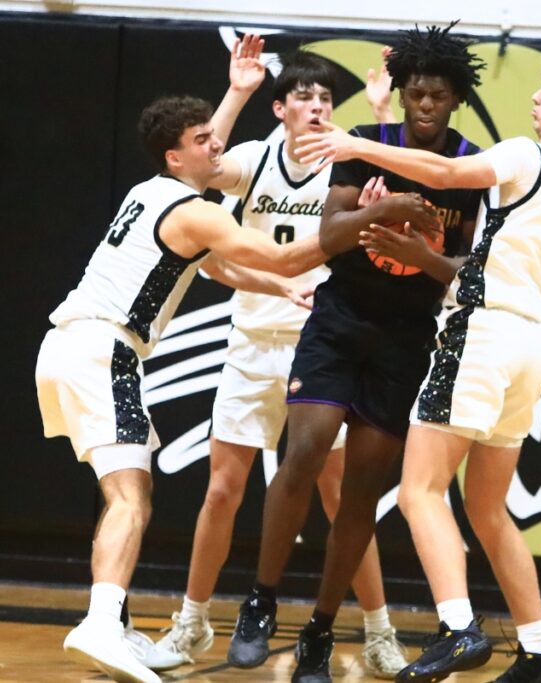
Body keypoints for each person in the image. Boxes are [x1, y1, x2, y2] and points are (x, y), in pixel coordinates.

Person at [297, 49, 541, 683]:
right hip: (531, 342)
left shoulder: (529, 156)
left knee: (420, 490)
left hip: (482, 332)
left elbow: (445, 173)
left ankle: (458, 627)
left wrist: (353, 143)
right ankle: (540, 650)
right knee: (488, 508)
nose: (537, 98)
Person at [225, 23, 487, 683]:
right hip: (339, 319)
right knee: (306, 447)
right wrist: (392, 206)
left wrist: (421, 252)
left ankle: (318, 628)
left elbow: (463, 267)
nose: (426, 105)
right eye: (416, 94)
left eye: (438, 96)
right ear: (400, 95)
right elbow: (332, 234)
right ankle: (259, 597)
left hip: (405, 336)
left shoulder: (468, 168)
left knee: (362, 494)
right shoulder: (365, 144)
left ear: (454, 99)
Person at [35, 93, 328, 683]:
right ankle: (97, 626)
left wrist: (277, 290)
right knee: (130, 500)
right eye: (202, 140)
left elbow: (217, 267)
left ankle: (109, 623)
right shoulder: (193, 209)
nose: (216, 144)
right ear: (175, 156)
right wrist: (363, 223)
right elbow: (283, 254)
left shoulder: (148, 194)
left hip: (69, 347)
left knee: (128, 490)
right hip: (103, 350)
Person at [151, 36, 409, 678]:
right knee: (222, 489)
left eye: (326, 98)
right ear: (281, 109)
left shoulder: (349, 156)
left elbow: (400, 177)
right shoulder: (254, 156)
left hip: (322, 349)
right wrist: (236, 91)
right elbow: (201, 168)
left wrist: (380, 115)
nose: (318, 107)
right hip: (252, 344)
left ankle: (379, 630)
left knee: (340, 498)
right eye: (304, 97)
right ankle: (192, 622)